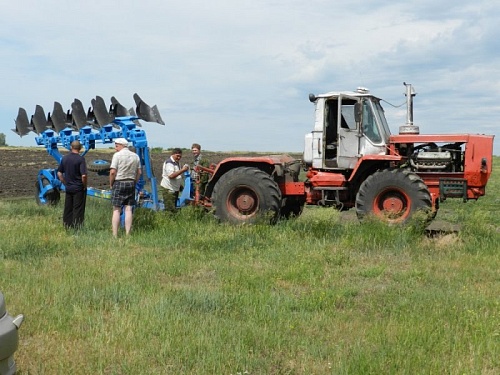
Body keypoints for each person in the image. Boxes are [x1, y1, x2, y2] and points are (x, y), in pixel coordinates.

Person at [109, 138, 141, 237]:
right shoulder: (135, 156)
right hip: (131, 182)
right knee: (128, 209)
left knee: (116, 209)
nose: (115, 148)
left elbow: (113, 172)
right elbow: (139, 172)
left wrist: (111, 183)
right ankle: (128, 234)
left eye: (116, 146)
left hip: (119, 182)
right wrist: (134, 182)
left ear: (121, 145)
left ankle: (115, 234)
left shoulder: (117, 155)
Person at [57, 140, 88, 229]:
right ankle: (77, 228)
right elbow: (84, 175)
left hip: (69, 187)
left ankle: (67, 226)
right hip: (78, 188)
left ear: (71, 147)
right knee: (78, 209)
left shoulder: (65, 158)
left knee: (68, 208)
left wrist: (65, 182)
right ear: (80, 148)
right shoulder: (80, 159)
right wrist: (84, 185)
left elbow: (59, 173)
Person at [160, 148, 189, 213]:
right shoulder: (169, 163)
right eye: (177, 156)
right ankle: (168, 220)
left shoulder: (177, 162)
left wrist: (179, 185)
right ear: (173, 154)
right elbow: (171, 176)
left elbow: (177, 175)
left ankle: (172, 220)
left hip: (174, 188)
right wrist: (183, 170)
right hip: (168, 189)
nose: (178, 158)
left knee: (174, 206)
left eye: (180, 156)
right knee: (170, 208)